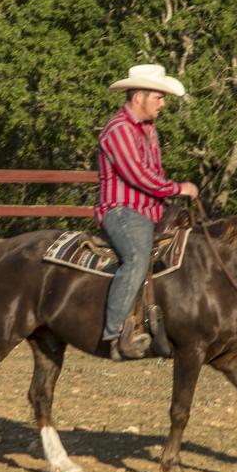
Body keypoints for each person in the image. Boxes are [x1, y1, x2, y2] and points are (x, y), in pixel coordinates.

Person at [95, 64, 198, 360]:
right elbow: (137, 175)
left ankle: (164, 328)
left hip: (150, 212)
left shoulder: (149, 131)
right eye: (159, 97)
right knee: (138, 256)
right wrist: (176, 189)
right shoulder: (118, 130)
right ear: (139, 96)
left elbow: (152, 172)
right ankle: (114, 334)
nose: (163, 104)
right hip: (122, 211)